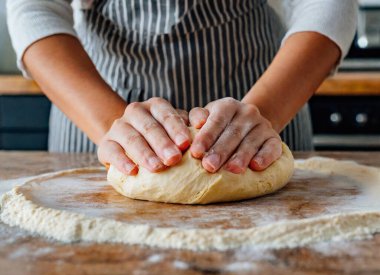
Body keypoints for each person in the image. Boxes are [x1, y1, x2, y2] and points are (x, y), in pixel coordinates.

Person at [7, 0, 357, 175]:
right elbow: (34, 8)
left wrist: (262, 114)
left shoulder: (263, 116)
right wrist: (117, 128)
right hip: (96, 108)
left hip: (263, 98)